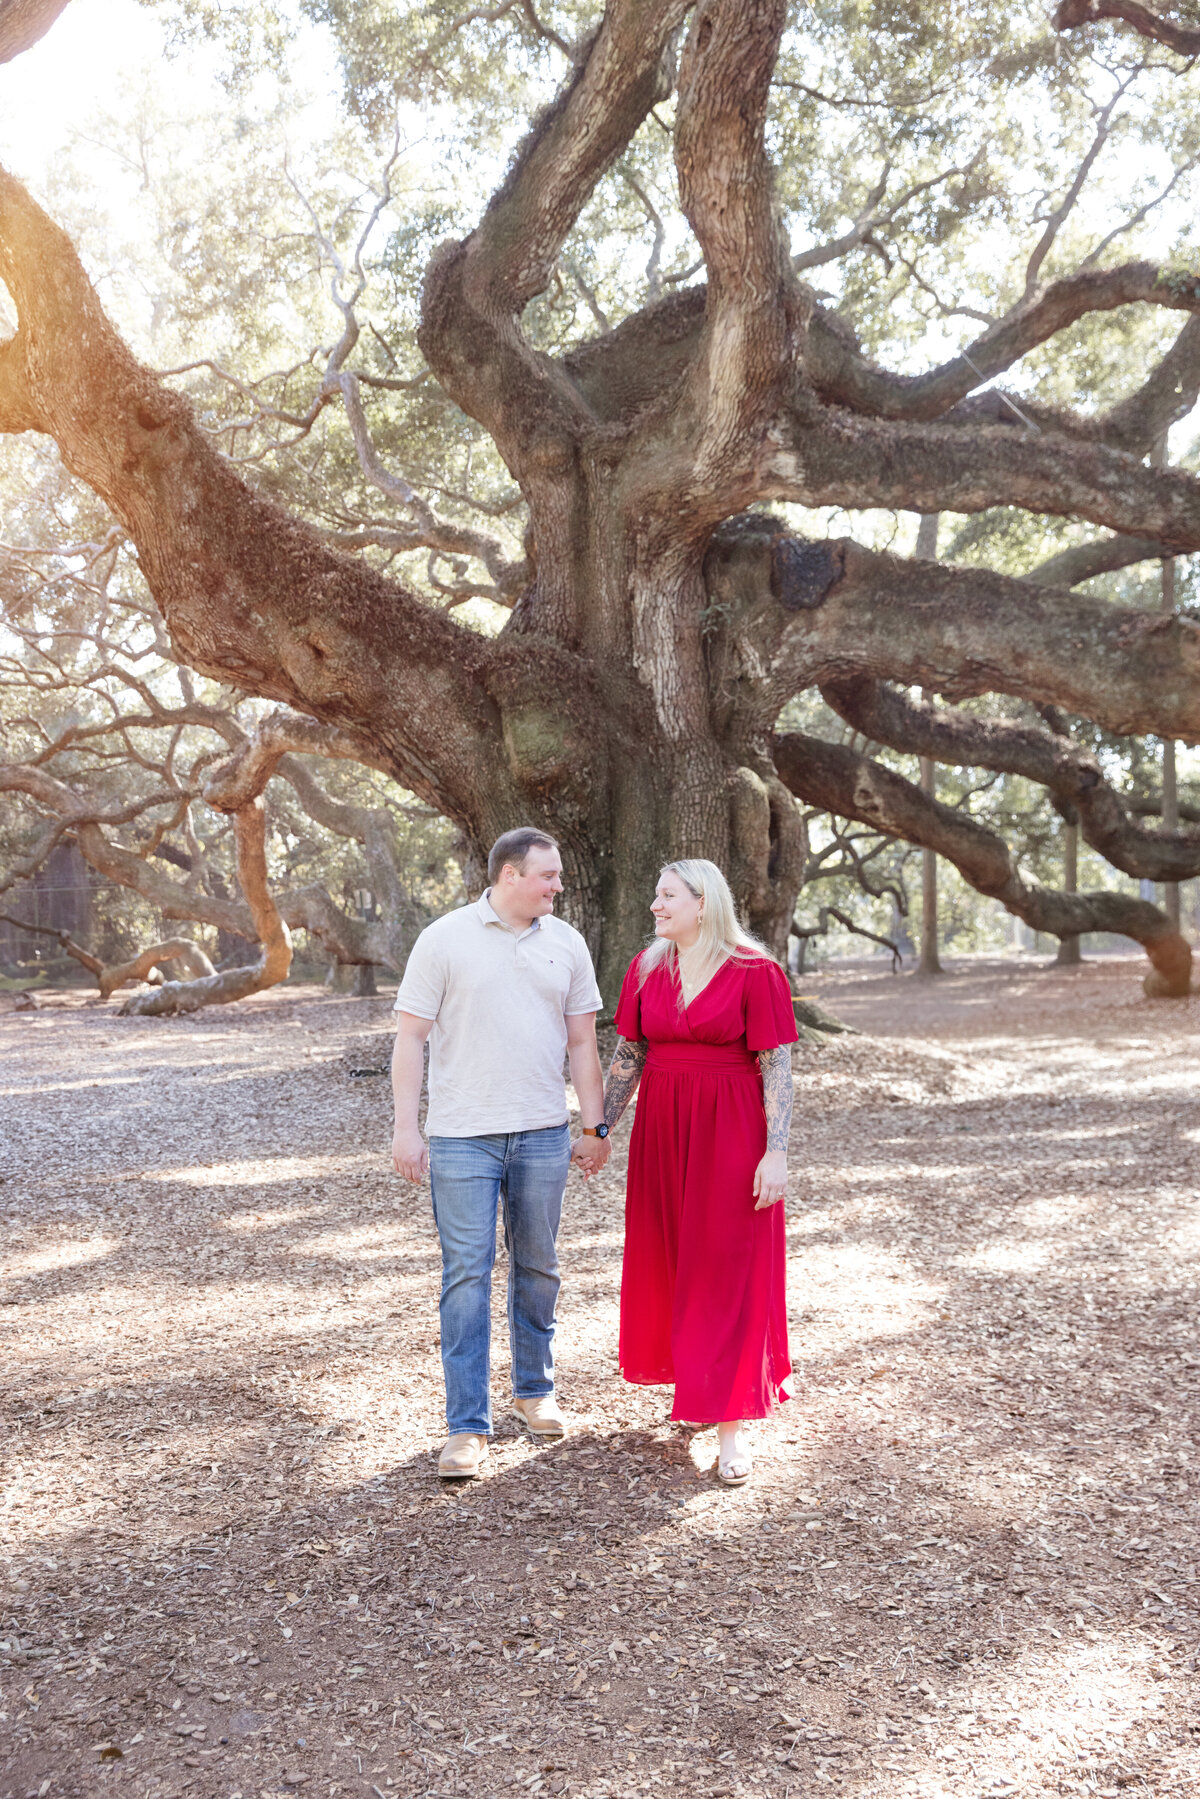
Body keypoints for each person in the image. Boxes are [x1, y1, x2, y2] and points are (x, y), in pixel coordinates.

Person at [391, 828, 611, 1479]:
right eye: (547, 874)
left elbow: (582, 1044)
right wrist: (408, 1127)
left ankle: (534, 1390)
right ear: (510, 875)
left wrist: (594, 1128)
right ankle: (466, 1425)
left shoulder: (566, 943)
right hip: (462, 1139)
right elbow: (410, 1038)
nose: (558, 884)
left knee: (539, 1266)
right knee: (466, 1275)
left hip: (543, 1133)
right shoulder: (445, 938)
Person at [602, 859, 798, 1486]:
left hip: (732, 1134)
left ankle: (733, 1427)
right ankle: (696, 1386)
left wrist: (777, 1150)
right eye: (655, 895)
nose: (654, 906)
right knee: (673, 1260)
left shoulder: (756, 972)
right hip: (664, 1131)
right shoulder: (646, 967)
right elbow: (629, 1054)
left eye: (666, 896)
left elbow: (776, 1068)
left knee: (727, 1268)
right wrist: (600, 1128)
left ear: (703, 904)